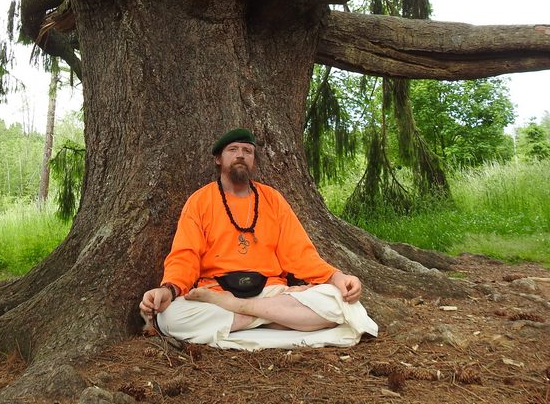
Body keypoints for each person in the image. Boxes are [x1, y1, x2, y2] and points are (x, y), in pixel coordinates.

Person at [139, 128, 377, 349]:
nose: (240, 155)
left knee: (339, 301)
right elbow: (185, 256)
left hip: (269, 293)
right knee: (170, 317)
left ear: (253, 160)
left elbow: (300, 253)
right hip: (216, 293)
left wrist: (337, 277)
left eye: (247, 151)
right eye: (233, 150)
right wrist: (168, 290)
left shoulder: (272, 199)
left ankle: (244, 312)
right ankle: (277, 320)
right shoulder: (199, 201)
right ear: (218, 159)